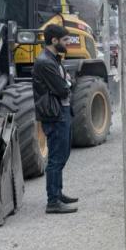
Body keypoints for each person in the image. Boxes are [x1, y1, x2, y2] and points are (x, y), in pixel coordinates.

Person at [32, 24, 79, 214]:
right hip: (55, 114)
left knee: (62, 155)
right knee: (56, 158)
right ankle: (53, 201)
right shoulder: (45, 62)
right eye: (65, 40)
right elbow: (63, 88)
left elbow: (67, 83)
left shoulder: (54, 59)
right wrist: (67, 83)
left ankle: (58, 193)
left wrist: (67, 82)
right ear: (54, 40)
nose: (68, 43)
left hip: (62, 112)